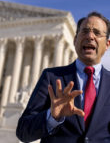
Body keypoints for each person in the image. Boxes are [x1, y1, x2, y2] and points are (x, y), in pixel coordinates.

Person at [16, 11, 110, 143]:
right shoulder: (51, 77)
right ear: (75, 40)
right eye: (84, 31)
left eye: (97, 32)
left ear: (107, 45)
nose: (90, 36)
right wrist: (52, 117)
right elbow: (23, 132)